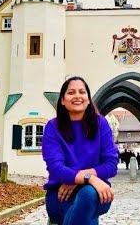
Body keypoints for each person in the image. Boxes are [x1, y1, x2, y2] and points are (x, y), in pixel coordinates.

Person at [42, 76, 119, 225]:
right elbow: (56, 169)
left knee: (88, 194)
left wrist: (79, 179)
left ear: (88, 99)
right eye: (71, 92)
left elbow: (111, 164)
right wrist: (89, 178)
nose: (77, 96)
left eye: (82, 92)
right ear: (62, 100)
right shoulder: (52, 127)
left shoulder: (101, 124)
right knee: (85, 216)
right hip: (60, 195)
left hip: (98, 194)